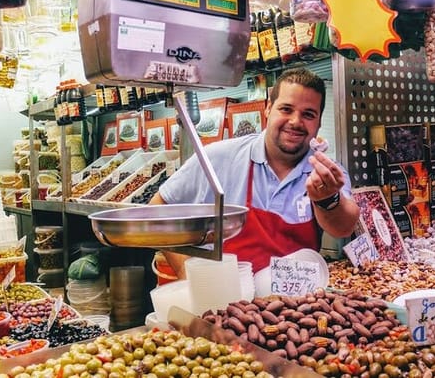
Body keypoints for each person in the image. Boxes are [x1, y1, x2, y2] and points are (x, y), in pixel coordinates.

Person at [150, 67, 360, 276]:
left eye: (308, 114)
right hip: (224, 303)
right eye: (286, 109)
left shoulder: (325, 172)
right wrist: (186, 271)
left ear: (320, 121)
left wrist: (327, 200)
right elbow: (158, 207)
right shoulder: (219, 157)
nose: (296, 121)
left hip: (295, 305)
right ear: (268, 108)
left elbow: (343, 228)